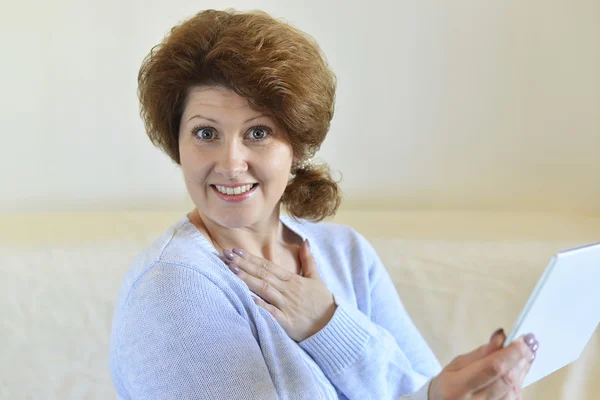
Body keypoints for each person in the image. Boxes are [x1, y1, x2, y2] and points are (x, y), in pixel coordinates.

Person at [109, 9, 538, 400]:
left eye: (258, 133)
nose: (231, 163)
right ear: (177, 144)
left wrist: (332, 324)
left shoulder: (346, 254)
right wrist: (335, 335)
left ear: (295, 146)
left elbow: (420, 387)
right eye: (206, 134)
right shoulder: (172, 287)